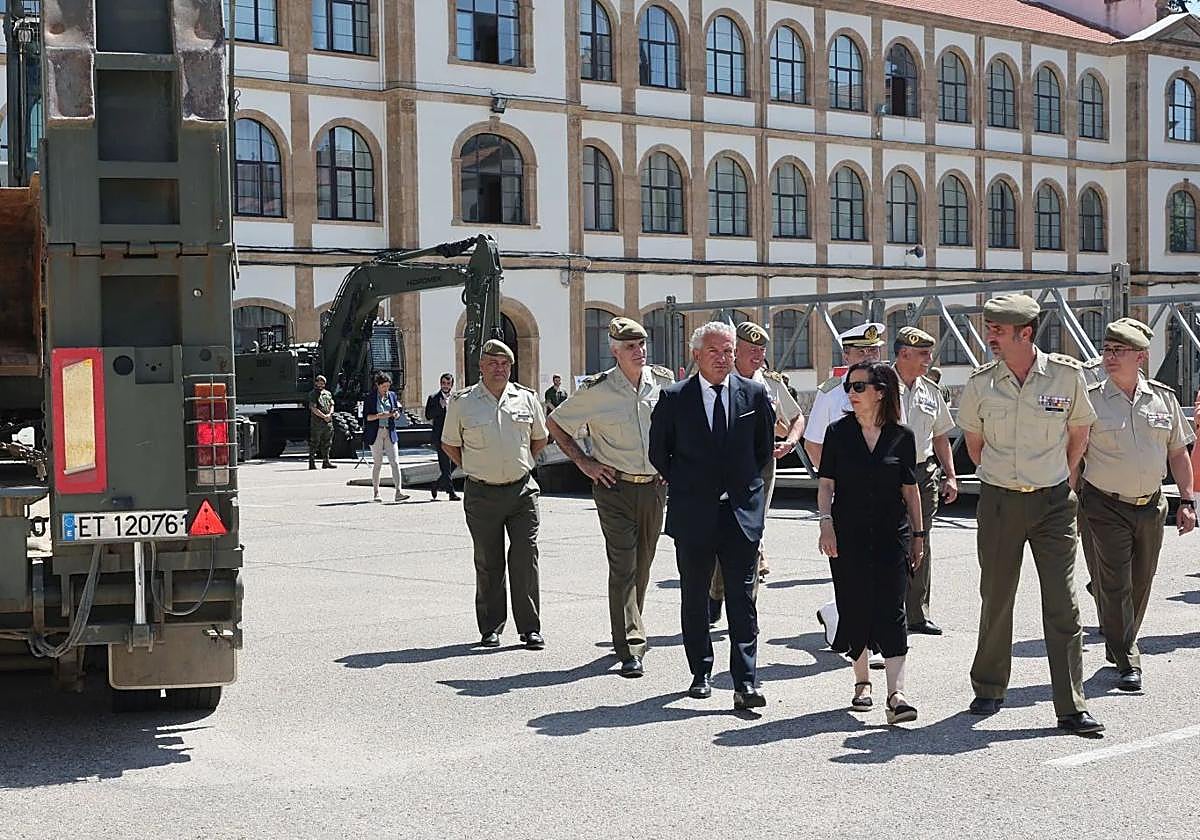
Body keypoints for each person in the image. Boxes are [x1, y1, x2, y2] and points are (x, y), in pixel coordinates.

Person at [957, 293, 1103, 736]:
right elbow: (975, 446)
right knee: (996, 596)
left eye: (998, 330)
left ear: (1025, 333)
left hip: (1054, 503)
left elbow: (1078, 434)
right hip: (1000, 501)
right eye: (990, 329)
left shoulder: (1065, 376)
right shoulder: (981, 383)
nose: (990, 337)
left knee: (1062, 603)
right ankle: (989, 686)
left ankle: (1071, 704)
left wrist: (1063, 479)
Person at [648, 321, 775, 710]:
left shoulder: (753, 394)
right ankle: (700, 671)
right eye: (715, 352)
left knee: (742, 600)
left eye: (729, 352)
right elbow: (659, 454)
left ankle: (745, 681)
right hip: (694, 513)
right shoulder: (674, 398)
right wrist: (691, 484)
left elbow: (762, 450)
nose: (723, 359)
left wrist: (744, 493)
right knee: (695, 596)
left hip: (740, 514)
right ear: (696, 355)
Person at [546, 317, 675, 678]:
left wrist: (673, 461)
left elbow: (678, 424)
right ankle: (630, 645)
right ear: (615, 351)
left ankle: (631, 625)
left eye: (642, 345)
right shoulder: (597, 390)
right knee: (624, 565)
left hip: (653, 487)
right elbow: (555, 422)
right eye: (631, 347)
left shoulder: (663, 384)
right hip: (614, 488)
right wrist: (584, 462)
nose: (639, 352)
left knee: (644, 563)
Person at [1079, 317, 1195, 693]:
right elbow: (1075, 452)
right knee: (1116, 584)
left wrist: (1187, 500)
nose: (1110, 357)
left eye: (1119, 351)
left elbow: (1178, 452)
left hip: (1151, 505)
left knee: (1140, 582)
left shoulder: (1163, 398)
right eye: (1107, 349)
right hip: (1102, 504)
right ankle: (1128, 656)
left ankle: (1119, 635)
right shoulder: (1091, 398)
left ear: (1141, 357)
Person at [817, 362, 923, 724]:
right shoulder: (838, 432)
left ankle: (897, 694)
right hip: (847, 533)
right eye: (849, 385)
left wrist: (919, 536)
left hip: (892, 533)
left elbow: (910, 490)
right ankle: (862, 681)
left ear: (880, 391)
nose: (851, 392)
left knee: (893, 608)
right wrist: (825, 525)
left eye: (859, 386)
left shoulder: (902, 436)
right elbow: (826, 485)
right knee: (855, 604)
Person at [442, 339, 549, 650]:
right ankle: (491, 627)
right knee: (488, 561)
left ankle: (530, 628)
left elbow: (539, 439)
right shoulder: (464, 402)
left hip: (521, 492)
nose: (499, 368)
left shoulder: (527, 399)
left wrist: (520, 463)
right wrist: (476, 467)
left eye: (504, 364)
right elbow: (450, 445)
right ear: (481, 366)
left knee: (525, 558)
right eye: (493, 363)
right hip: (482, 493)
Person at [803, 321, 890, 666]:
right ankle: (863, 645)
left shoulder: (887, 389)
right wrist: (838, 480)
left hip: (884, 496)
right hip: (847, 498)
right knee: (853, 569)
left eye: (874, 350)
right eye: (862, 351)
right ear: (847, 355)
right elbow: (813, 444)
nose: (870, 356)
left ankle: (843, 619)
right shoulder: (832, 393)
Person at [707, 321, 806, 623]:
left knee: (752, 533)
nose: (758, 356)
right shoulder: (719, 380)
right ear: (736, 351)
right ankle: (715, 591)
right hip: (724, 466)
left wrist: (789, 441)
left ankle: (747, 609)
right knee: (725, 533)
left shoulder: (771, 383)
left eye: (762, 350)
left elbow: (798, 417)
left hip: (762, 466)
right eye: (751, 350)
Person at [892, 327, 958, 635]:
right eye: (923, 354)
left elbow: (941, 435)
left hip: (922, 472)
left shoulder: (930, 391)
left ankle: (917, 614)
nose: (929, 360)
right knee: (889, 541)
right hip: (887, 474)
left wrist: (951, 475)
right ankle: (890, 610)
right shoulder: (879, 384)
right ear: (904, 353)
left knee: (921, 539)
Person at [364, 372, 409, 503]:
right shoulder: (370, 398)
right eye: (384, 386)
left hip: (390, 431)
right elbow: (367, 417)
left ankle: (398, 492)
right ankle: (376, 492)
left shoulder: (392, 396)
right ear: (377, 385)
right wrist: (380, 415)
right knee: (378, 463)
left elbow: (397, 411)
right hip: (376, 432)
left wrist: (395, 415)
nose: (386, 389)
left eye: (388, 386)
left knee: (395, 462)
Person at [425, 373, 460, 501]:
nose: (445, 386)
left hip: (454, 434)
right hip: (440, 436)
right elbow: (428, 415)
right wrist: (441, 407)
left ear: (451, 385)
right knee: (445, 465)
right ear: (440, 384)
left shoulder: (456, 398)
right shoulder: (433, 398)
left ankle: (437, 484)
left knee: (457, 461)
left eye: (448, 383)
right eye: (443, 383)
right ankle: (451, 492)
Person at [308, 374, 336, 470]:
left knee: (327, 442)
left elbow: (332, 404)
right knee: (315, 442)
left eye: (322, 382)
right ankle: (312, 462)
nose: (320, 384)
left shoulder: (327, 393)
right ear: (316, 383)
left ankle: (326, 461)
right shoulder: (313, 394)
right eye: (318, 381)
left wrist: (329, 415)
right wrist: (324, 416)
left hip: (328, 422)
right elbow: (313, 408)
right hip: (317, 423)